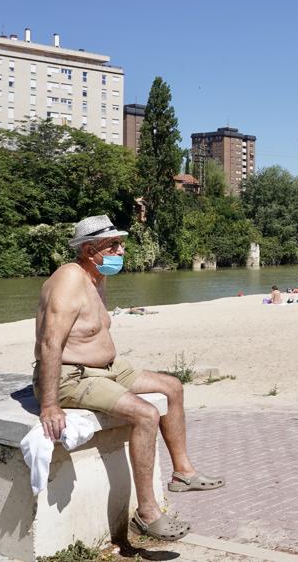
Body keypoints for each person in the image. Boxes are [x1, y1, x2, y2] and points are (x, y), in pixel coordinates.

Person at [34, 215, 223, 543]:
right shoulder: (68, 280)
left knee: (172, 387)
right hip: (72, 376)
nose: (122, 251)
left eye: (120, 244)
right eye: (114, 245)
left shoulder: (96, 278)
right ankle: (147, 514)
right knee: (146, 414)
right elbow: (51, 342)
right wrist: (50, 404)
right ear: (90, 249)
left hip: (106, 368)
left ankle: (183, 473)